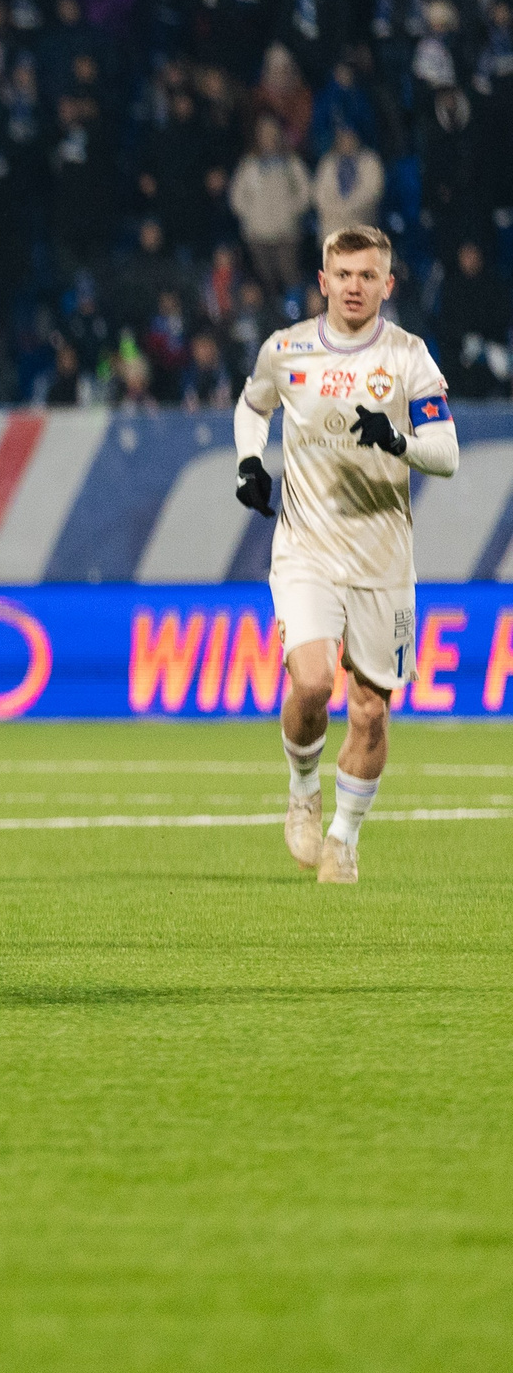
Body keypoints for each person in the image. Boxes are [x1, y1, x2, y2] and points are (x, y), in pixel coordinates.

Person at [233, 224, 459, 884]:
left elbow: (444, 453)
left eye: (369, 276)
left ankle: (344, 835)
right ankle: (304, 787)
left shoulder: (410, 357)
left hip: (384, 561)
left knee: (369, 710)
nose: (355, 286)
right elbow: (253, 407)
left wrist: (399, 440)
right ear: (323, 281)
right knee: (311, 681)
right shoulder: (288, 349)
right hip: (305, 551)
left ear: (387, 285)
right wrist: (250, 460)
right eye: (344, 274)